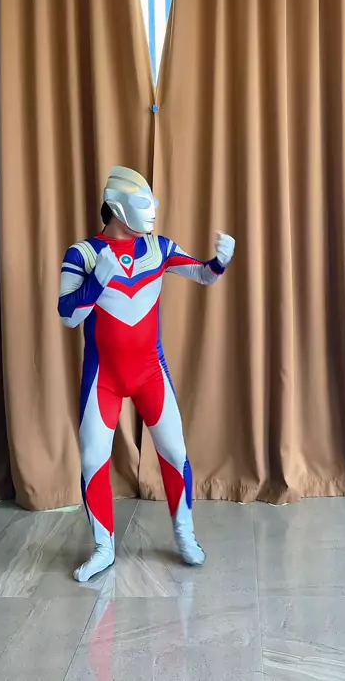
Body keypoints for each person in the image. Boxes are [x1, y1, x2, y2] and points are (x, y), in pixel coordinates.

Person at [58, 166, 235, 582]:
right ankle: (103, 548)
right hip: (103, 377)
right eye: (144, 203)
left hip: (150, 373)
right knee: (92, 459)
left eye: (152, 202)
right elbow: (68, 315)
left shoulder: (159, 247)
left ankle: (185, 534)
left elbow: (202, 273)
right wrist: (96, 282)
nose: (152, 210)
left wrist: (220, 261)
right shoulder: (83, 254)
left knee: (174, 452)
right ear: (118, 207)